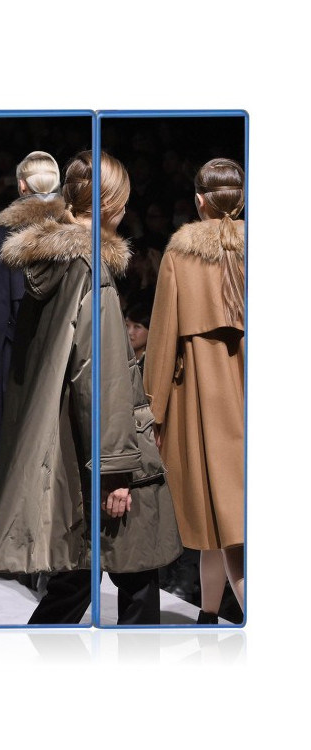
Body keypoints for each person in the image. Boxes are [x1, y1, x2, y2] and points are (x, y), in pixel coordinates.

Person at [0, 150, 182, 625]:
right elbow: (99, 376)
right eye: (123, 199)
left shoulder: (48, 262)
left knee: (78, 575)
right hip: (102, 453)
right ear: (109, 205)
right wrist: (117, 470)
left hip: (68, 448)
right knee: (136, 575)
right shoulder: (91, 270)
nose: (127, 208)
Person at [143, 157, 245, 625]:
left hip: (204, 400)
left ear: (199, 201)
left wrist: (153, 413)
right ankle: (208, 614)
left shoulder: (181, 255)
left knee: (225, 523)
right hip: (245, 390)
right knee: (220, 522)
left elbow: (162, 340)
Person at [0, 150, 66, 474]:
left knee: (12, 447)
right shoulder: (72, 230)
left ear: (22, 186)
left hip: (16, 352)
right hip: (62, 346)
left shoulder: (6, 232)